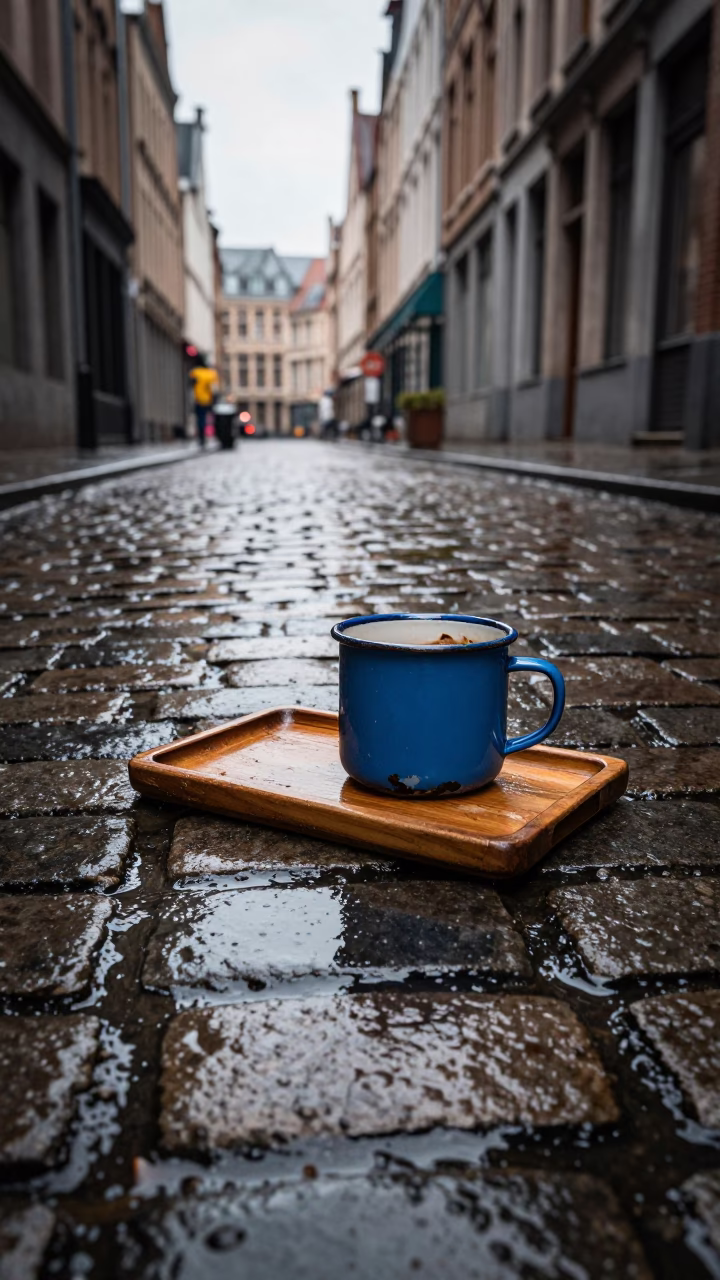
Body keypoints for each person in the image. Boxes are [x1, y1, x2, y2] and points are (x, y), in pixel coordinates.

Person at [189, 360, 219, 446]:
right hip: (209, 400)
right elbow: (214, 387)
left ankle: (201, 438)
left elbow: (191, 385)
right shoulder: (211, 374)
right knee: (212, 418)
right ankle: (215, 436)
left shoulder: (195, 372)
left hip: (198, 400)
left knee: (200, 419)